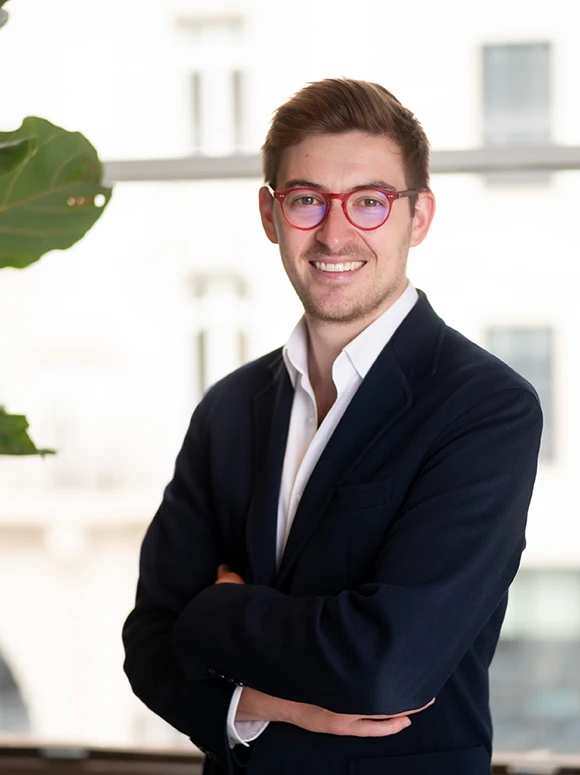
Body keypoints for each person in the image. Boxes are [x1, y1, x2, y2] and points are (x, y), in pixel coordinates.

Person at [122, 78, 543, 775]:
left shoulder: (485, 406)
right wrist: (267, 704)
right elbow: (149, 644)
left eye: (370, 201)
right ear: (271, 213)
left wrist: (214, 614)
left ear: (420, 216)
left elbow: (387, 665)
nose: (335, 232)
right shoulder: (228, 408)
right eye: (307, 199)